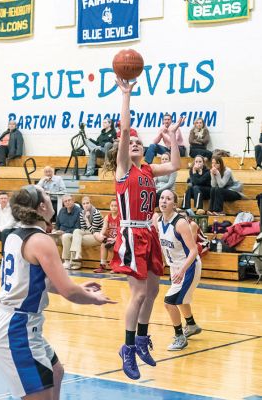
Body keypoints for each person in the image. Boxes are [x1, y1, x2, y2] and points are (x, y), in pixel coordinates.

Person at [0, 184, 115, 399]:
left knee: (56, 372)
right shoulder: (41, 240)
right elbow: (69, 292)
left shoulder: (13, 235)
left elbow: (32, 281)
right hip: (16, 329)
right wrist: (92, 298)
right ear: (42, 207)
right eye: (46, 195)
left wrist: (78, 287)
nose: (50, 198)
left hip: (17, 323)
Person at [103, 77, 184, 380]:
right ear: (122, 152)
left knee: (152, 289)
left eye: (139, 142)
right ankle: (126, 348)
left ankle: (140, 339)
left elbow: (175, 165)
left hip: (147, 232)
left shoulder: (148, 169)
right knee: (137, 295)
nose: (135, 144)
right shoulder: (123, 168)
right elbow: (124, 130)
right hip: (130, 232)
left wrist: (172, 137)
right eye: (131, 143)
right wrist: (126, 95)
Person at [155, 189, 202, 351]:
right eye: (162, 198)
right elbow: (163, 246)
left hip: (189, 267)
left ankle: (180, 337)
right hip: (175, 267)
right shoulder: (158, 221)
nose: (164, 201)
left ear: (174, 204)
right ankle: (192, 325)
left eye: (168, 199)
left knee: (169, 302)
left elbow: (194, 250)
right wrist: (161, 263)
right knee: (181, 299)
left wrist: (182, 270)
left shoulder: (180, 223)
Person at [66, 196, 104, 269]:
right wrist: (84, 220)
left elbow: (93, 230)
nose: (86, 205)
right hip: (88, 232)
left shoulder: (96, 213)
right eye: (84, 204)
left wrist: (86, 219)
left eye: (87, 203)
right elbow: (83, 228)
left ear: (91, 203)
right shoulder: (82, 213)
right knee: (76, 231)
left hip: (97, 235)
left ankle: (75, 263)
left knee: (76, 238)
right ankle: (78, 254)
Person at [53, 194, 81, 269]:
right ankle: (50, 261)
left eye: (69, 200)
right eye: (65, 201)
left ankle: (67, 261)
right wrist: (54, 230)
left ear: (73, 201)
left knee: (65, 237)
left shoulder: (79, 211)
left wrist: (64, 232)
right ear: (63, 203)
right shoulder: (62, 211)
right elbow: (57, 224)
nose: (67, 202)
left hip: (71, 234)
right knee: (48, 237)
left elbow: (78, 227)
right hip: (60, 233)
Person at [93, 198, 120, 273]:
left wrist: (115, 239)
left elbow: (122, 232)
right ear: (110, 207)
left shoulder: (121, 217)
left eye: (115, 206)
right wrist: (101, 235)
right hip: (110, 239)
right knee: (103, 244)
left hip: (119, 239)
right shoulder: (107, 217)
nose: (113, 207)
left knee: (115, 245)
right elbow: (104, 229)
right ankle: (103, 265)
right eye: (112, 205)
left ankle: (117, 267)